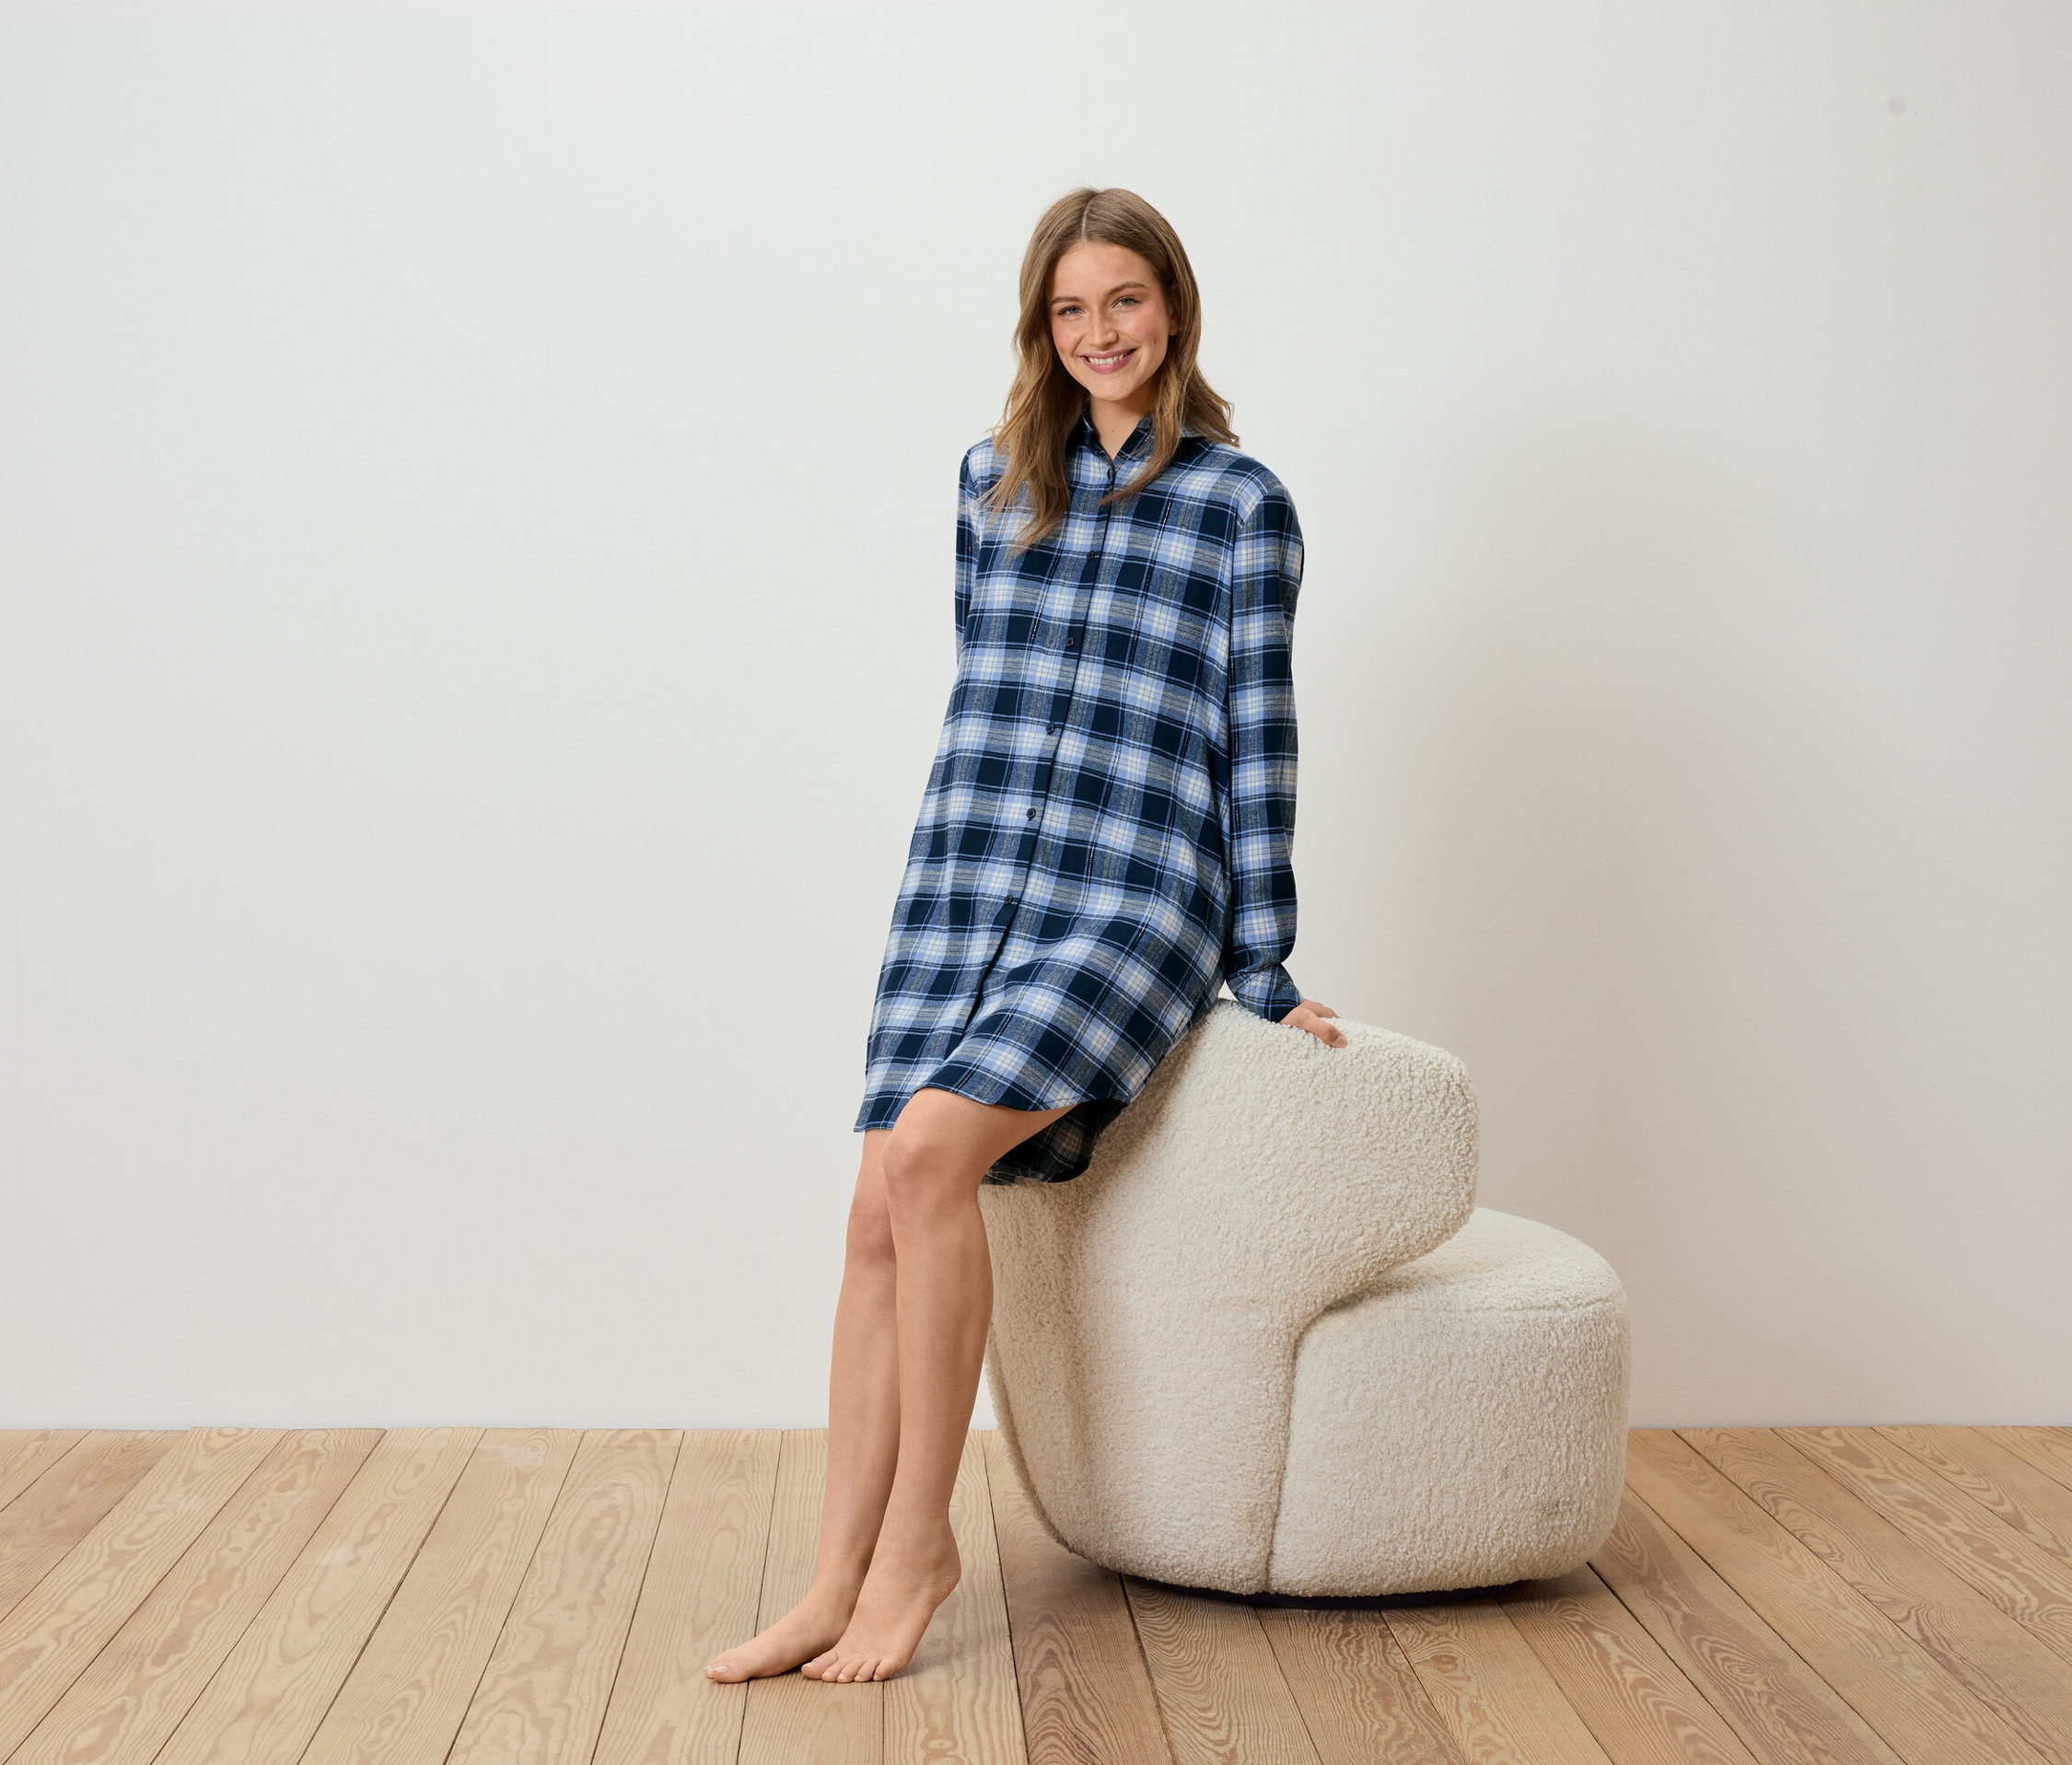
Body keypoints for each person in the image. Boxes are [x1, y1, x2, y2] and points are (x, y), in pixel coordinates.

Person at [705, 186, 1343, 1687]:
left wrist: (1263, 966)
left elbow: (1256, 736)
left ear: (1171, 307)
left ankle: (915, 1548)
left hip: (1130, 896)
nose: (1098, 331)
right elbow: (981, 687)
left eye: (1123, 299)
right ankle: (831, 1575)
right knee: (873, 1205)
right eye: (1069, 309)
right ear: (1039, 328)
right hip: (966, 875)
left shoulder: (1238, 504)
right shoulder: (989, 482)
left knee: (933, 1153)